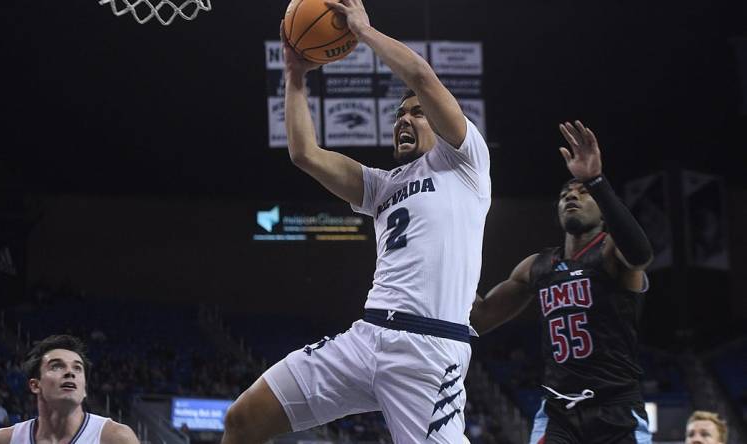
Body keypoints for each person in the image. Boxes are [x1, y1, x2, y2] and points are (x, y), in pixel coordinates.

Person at [221, 0, 490, 442]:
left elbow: (422, 78)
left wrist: (363, 32)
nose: (405, 118)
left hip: (427, 349)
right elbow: (304, 154)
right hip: (365, 337)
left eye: (416, 113)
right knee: (243, 419)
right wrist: (295, 75)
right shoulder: (382, 185)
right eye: (399, 115)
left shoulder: (464, 163)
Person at [470, 121, 654, 443]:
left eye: (583, 194)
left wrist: (596, 181)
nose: (572, 196)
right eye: (565, 194)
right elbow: (480, 319)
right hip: (559, 412)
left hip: (615, 408)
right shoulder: (537, 266)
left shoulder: (612, 251)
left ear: (602, 207)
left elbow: (640, 255)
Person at [0, 335, 139, 444]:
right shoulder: (3, 440)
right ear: (35, 385)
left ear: (84, 389)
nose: (70, 372)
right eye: (57, 366)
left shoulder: (116, 438)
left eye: (77, 368)